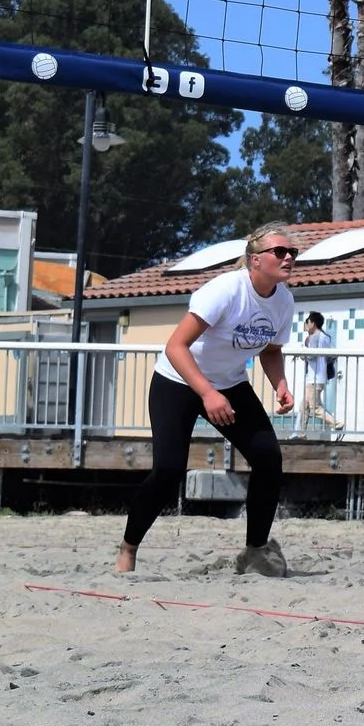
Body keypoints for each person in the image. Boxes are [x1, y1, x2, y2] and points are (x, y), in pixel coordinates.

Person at [115, 224, 298, 575]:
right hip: (178, 380)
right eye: (280, 251)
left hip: (229, 384)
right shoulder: (226, 290)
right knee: (168, 470)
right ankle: (128, 547)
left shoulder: (284, 301)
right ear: (255, 260)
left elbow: (271, 350)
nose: (288, 257)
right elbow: (176, 346)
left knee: (268, 458)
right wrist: (207, 392)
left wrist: (281, 384)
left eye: (292, 253)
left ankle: (255, 550)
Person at [292, 310, 343, 441]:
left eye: (307, 322)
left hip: (313, 377)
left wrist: (302, 354)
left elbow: (311, 356)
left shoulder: (314, 337)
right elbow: (330, 357)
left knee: (315, 407)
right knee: (304, 406)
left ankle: (337, 425)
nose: (306, 324)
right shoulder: (326, 337)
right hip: (320, 376)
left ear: (313, 323)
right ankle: (300, 434)